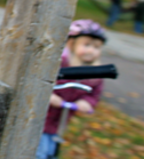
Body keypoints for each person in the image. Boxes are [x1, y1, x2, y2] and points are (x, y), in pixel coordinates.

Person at [35, 20, 106, 159]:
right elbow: (39, 82)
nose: (91, 50)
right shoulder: (59, 64)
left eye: (96, 47)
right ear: (71, 44)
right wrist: (48, 95)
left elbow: (94, 94)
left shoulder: (95, 74)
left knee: (51, 151)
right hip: (39, 120)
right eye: (86, 45)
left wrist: (87, 102)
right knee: (39, 152)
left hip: (59, 124)